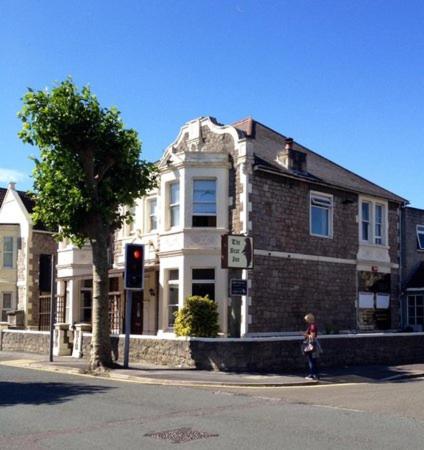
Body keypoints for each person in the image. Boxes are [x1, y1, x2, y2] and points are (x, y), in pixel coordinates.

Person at [303, 313, 319, 381]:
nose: (306, 321)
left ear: (310, 319)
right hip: (313, 344)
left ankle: (312, 375)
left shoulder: (312, 326)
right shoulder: (313, 325)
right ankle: (314, 375)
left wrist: (306, 335)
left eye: (307, 320)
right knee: (313, 360)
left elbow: (312, 336)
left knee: (311, 360)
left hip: (311, 344)